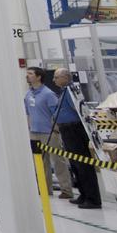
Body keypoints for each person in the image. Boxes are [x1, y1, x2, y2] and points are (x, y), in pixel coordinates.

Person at [52, 68, 101, 209]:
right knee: (75, 163)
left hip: (74, 129)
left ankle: (93, 198)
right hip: (67, 130)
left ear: (65, 78)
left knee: (82, 163)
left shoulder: (71, 92)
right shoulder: (64, 91)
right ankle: (83, 194)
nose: (54, 80)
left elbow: (79, 109)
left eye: (56, 77)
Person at [24, 67, 72, 200]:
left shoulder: (48, 94)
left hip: (49, 132)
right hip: (34, 132)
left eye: (30, 74)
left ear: (39, 77)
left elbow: (56, 113)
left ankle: (66, 189)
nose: (27, 76)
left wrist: (55, 129)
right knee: (40, 162)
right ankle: (45, 188)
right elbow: (27, 112)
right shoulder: (28, 94)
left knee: (57, 161)